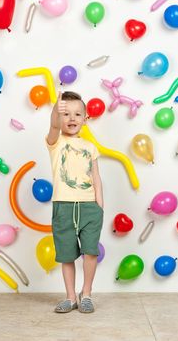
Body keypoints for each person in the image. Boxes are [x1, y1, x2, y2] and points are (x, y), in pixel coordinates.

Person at [46, 91, 104, 313]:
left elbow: (96, 177)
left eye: (77, 114)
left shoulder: (90, 147)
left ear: (85, 118)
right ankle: (71, 297)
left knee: (91, 252)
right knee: (67, 255)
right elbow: (52, 126)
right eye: (66, 114)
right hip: (63, 206)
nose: (71, 118)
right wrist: (54, 110)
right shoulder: (56, 142)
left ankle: (86, 293)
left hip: (90, 207)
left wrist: (99, 206)